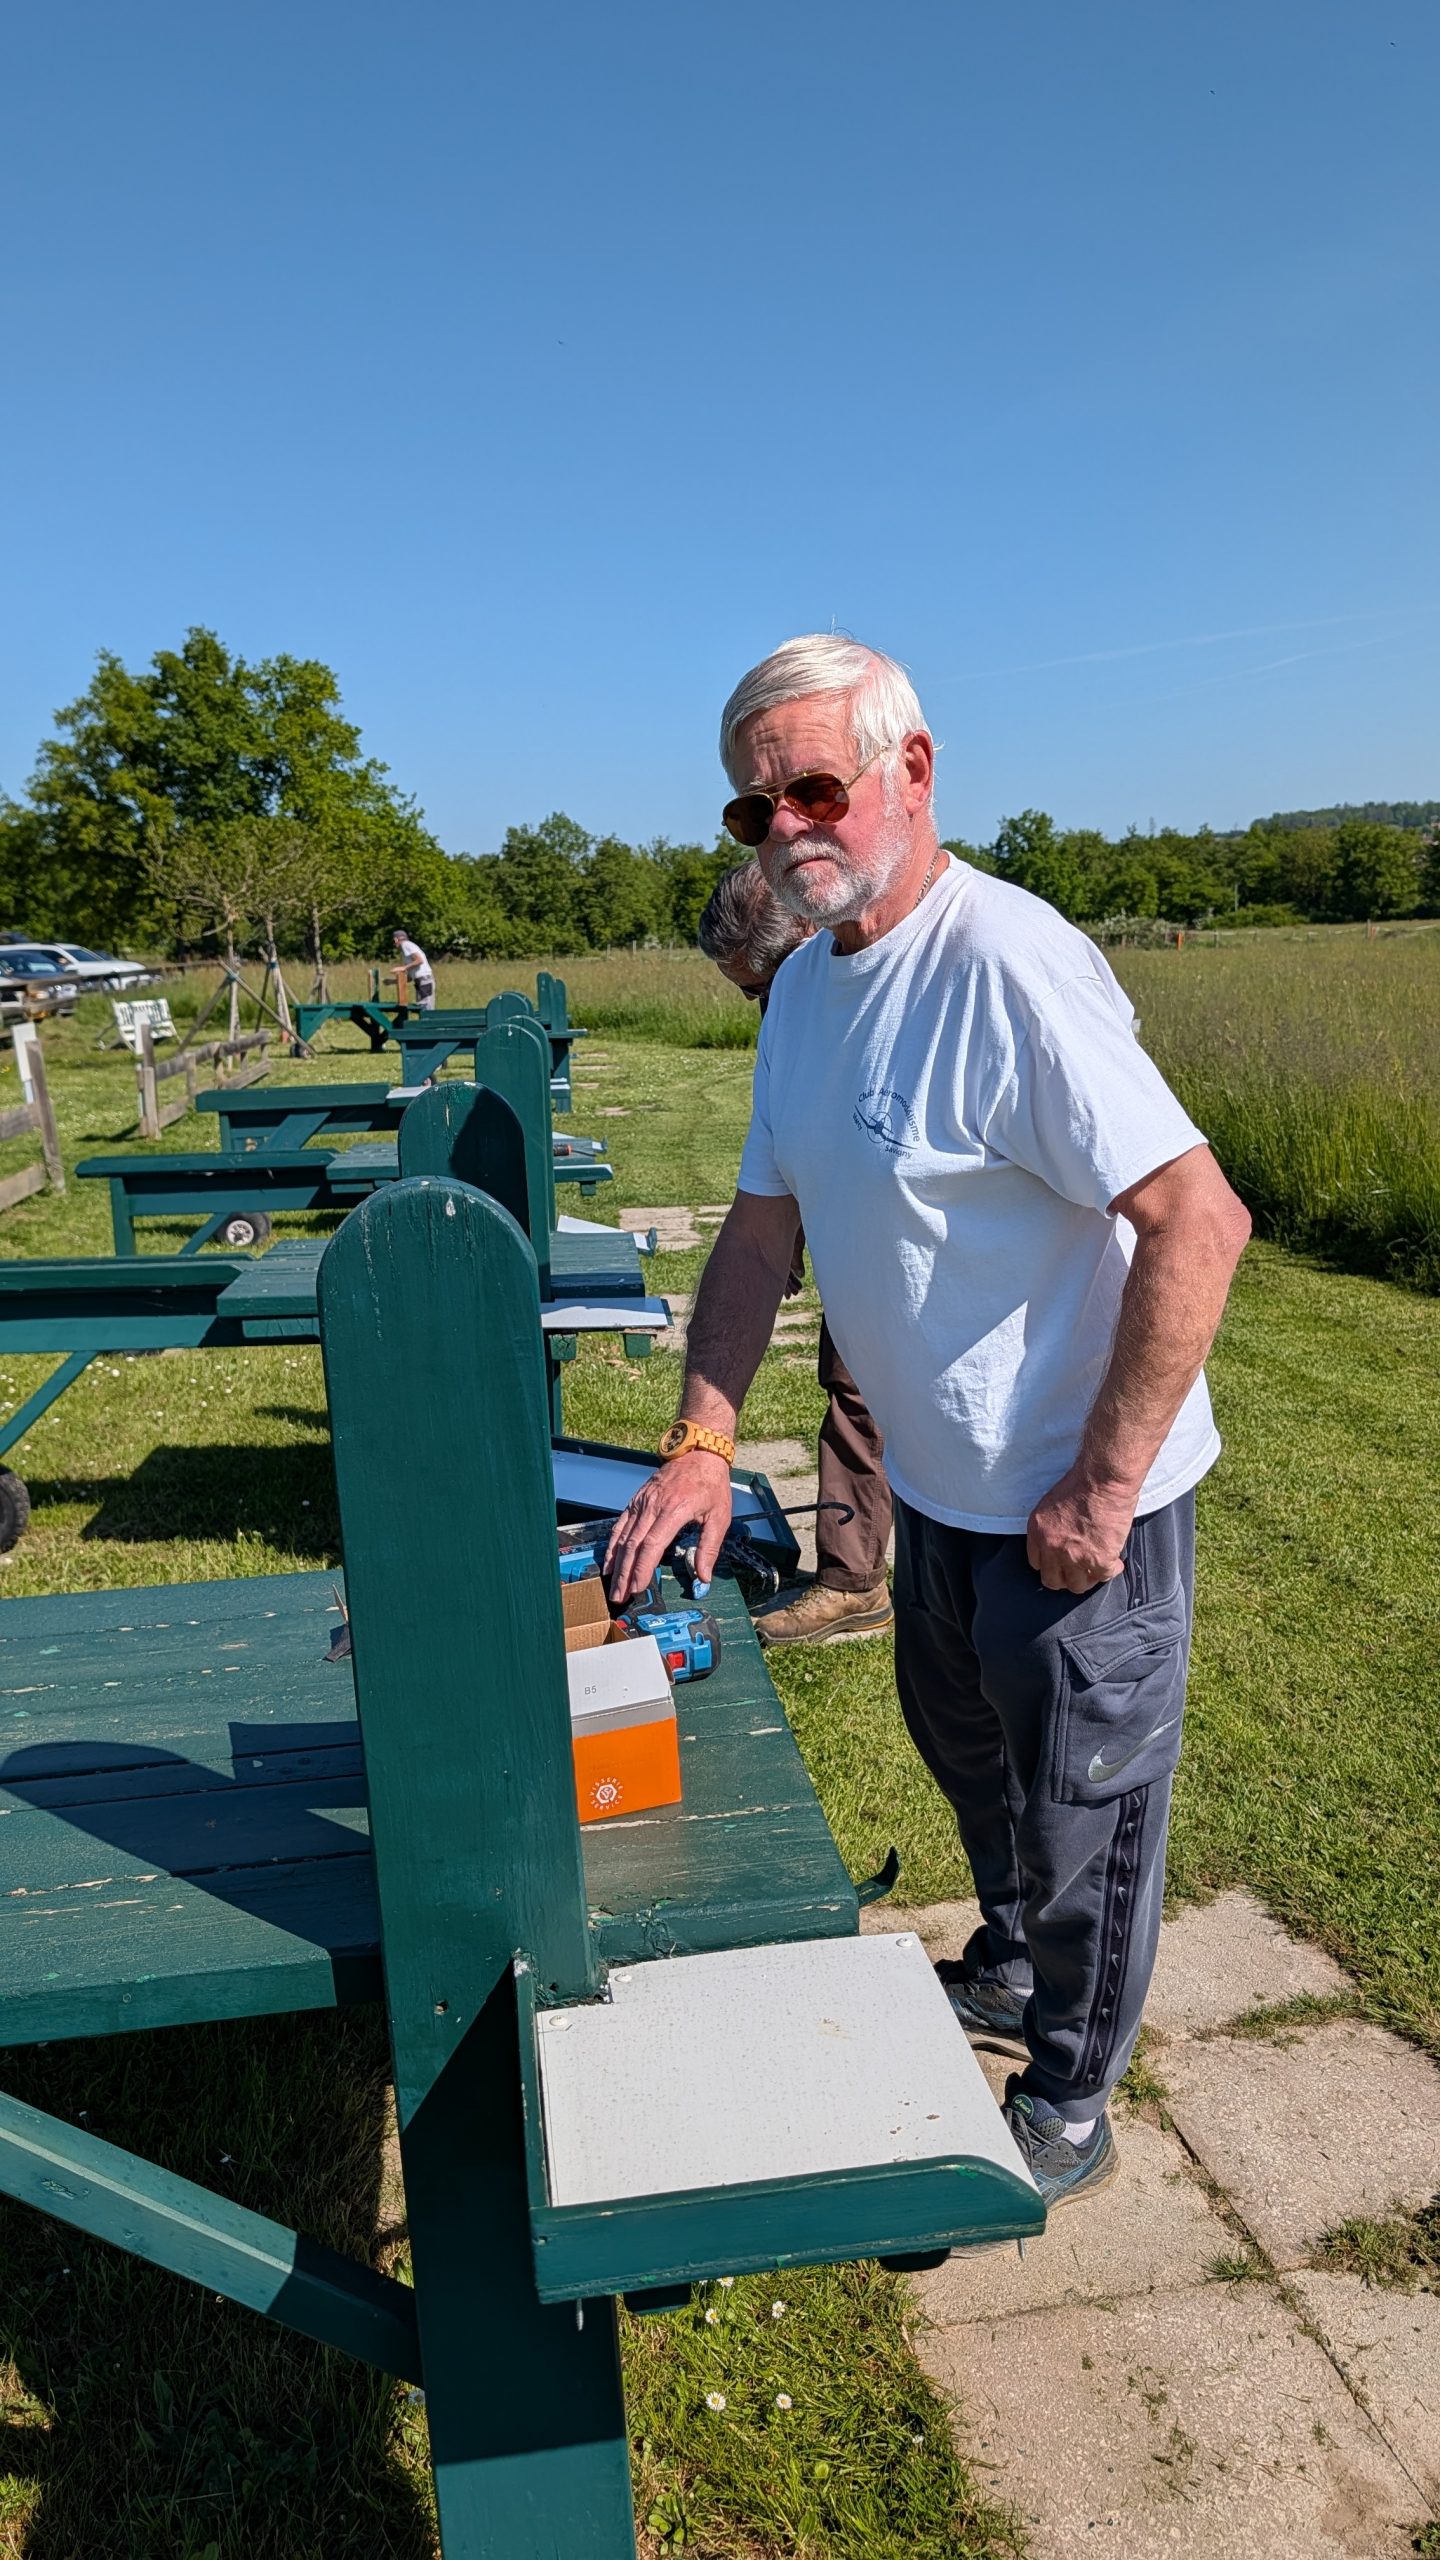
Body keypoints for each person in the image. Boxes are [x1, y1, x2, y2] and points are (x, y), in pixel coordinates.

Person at [608, 634, 1250, 2213]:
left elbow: (1198, 1218)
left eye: (815, 789)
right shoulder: (803, 998)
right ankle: (1018, 1963)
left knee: (1087, 1811)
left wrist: (1101, 1488)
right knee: (970, 1755)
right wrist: (702, 1442)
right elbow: (760, 1233)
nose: (786, 830)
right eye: (753, 810)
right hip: (946, 1499)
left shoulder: (1005, 963)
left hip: (1075, 1507)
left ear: (912, 770)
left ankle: (1073, 2095)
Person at [696, 862, 893, 1645]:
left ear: (810, 932)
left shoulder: (877, 987)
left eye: (764, 985)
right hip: (859, 1239)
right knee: (855, 1392)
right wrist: (791, 1236)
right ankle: (855, 1575)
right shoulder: (799, 1008)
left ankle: (855, 1581)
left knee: (863, 1397)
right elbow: (804, 1139)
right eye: (751, 995)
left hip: (918, 1253)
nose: (764, 1007)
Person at [391, 930, 435, 1012]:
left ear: (396, 939)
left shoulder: (405, 945)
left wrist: (403, 968)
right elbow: (409, 978)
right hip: (420, 981)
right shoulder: (406, 949)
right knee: (422, 1007)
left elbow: (419, 960)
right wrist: (391, 981)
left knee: (426, 1009)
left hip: (424, 979)